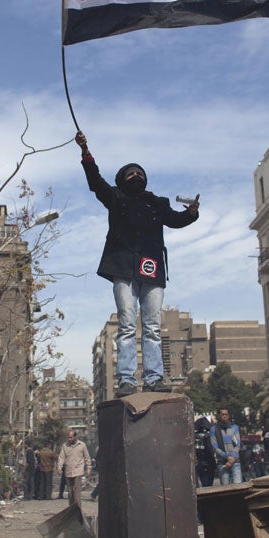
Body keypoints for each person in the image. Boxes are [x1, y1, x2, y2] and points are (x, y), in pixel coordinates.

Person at [75, 130, 199, 397]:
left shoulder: (158, 203)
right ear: (122, 180)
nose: (135, 177)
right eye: (130, 174)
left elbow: (176, 220)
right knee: (127, 323)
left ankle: (154, 378)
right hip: (122, 266)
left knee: (153, 325)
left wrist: (191, 213)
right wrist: (86, 153)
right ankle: (127, 380)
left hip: (152, 268)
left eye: (139, 173)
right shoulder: (116, 198)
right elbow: (96, 182)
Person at [56, 430, 92, 508]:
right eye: (68, 437)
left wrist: (88, 469)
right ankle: (71, 509)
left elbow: (87, 458)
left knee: (77, 491)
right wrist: (59, 467)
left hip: (78, 471)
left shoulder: (82, 445)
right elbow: (61, 457)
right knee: (70, 492)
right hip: (68, 471)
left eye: (71, 437)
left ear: (75, 437)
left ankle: (78, 510)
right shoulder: (65, 446)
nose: (69, 439)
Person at [211, 408, 243, 484]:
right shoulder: (214, 429)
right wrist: (227, 457)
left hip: (235, 462)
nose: (225, 416)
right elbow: (214, 447)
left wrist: (232, 458)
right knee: (225, 489)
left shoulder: (234, 427)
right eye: (223, 414)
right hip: (222, 463)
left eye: (226, 414)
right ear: (219, 416)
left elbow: (237, 444)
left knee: (238, 487)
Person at [194, 418, 216, 487]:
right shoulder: (209, 437)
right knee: (208, 485)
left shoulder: (194, 437)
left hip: (198, 463)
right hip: (208, 463)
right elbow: (211, 450)